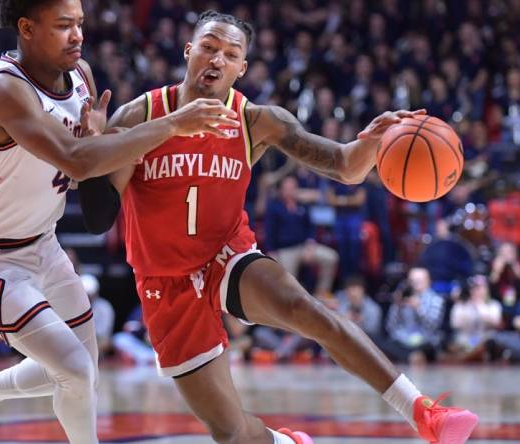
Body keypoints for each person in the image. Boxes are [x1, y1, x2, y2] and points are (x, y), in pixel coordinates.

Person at [97, 10, 478, 444]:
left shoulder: (256, 120)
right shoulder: (139, 115)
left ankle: (423, 411)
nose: (217, 60)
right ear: (188, 51)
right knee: (232, 432)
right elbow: (98, 213)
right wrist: (97, 149)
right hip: (165, 281)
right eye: (208, 47)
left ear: (242, 68)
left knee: (307, 310)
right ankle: (286, 443)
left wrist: (369, 143)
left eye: (230, 54)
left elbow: (343, 166)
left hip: (225, 254)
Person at [0, 1, 240, 443]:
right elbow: (74, 159)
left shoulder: (81, 75)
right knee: (71, 368)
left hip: (41, 243)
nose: (77, 35)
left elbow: (80, 167)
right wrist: (171, 125)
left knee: (81, 370)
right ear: (27, 28)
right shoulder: (4, 89)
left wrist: (99, 139)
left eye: (80, 24)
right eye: (63, 26)